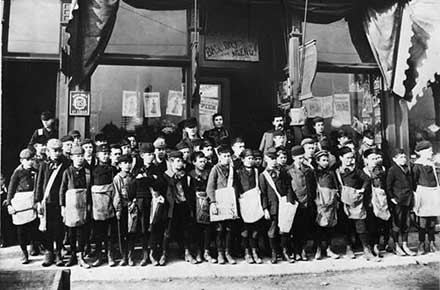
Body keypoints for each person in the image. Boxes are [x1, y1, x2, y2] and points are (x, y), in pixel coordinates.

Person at [336, 147, 379, 261]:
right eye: (348, 158)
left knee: (361, 225)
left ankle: (367, 250)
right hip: (343, 202)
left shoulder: (356, 170)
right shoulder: (337, 171)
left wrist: (362, 190)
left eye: (352, 158)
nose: (351, 160)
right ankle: (348, 248)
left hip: (356, 201)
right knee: (347, 226)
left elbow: (367, 179)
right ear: (341, 158)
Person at [35, 139, 70, 267]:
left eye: (59, 150)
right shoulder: (44, 165)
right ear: (48, 151)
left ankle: (59, 252)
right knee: (47, 228)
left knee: (59, 228)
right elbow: (39, 184)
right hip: (47, 201)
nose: (57, 153)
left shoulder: (66, 163)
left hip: (60, 201)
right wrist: (38, 201)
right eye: (54, 151)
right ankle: (49, 252)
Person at [260, 148, 295, 264]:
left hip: (284, 204)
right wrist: (265, 209)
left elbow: (289, 186)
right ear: (266, 159)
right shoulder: (263, 175)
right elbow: (263, 193)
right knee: (272, 231)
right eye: (271, 159)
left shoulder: (283, 172)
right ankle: (274, 253)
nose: (273, 161)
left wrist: (290, 201)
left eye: (275, 158)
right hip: (272, 206)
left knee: (285, 229)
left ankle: (285, 252)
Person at [59, 145, 92, 268]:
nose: (80, 159)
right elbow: (62, 190)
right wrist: (63, 207)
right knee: (71, 232)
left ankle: (81, 256)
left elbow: (90, 190)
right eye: (77, 156)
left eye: (81, 156)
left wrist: (89, 205)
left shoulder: (87, 172)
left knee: (82, 232)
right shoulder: (67, 172)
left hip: (83, 205)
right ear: (72, 157)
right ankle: (73, 255)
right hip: (70, 207)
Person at [162, 150, 197, 265]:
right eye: (177, 161)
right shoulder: (166, 175)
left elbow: (189, 191)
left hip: (183, 205)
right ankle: (164, 253)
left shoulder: (185, 175)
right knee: (167, 230)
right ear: (171, 162)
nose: (180, 164)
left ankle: (187, 252)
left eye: (181, 161)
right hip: (171, 207)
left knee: (185, 230)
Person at [133, 143, 164, 266]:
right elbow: (138, 184)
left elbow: (160, 184)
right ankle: (145, 254)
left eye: (152, 154)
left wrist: (147, 179)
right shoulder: (138, 169)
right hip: (142, 201)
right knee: (143, 227)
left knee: (154, 227)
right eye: (147, 155)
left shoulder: (157, 169)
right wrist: (152, 179)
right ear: (142, 155)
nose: (150, 157)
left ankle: (153, 253)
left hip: (154, 202)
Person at [207, 145, 238, 264]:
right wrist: (213, 203)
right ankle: (220, 253)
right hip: (219, 202)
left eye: (228, 156)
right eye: (224, 156)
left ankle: (228, 253)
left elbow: (235, 185)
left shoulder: (232, 169)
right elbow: (210, 187)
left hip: (230, 202)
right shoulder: (215, 169)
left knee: (230, 229)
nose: (226, 158)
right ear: (219, 157)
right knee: (220, 229)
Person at [7, 149, 39, 264]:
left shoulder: (35, 171)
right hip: (20, 203)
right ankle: (24, 252)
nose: (30, 162)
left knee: (33, 227)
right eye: (27, 160)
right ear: (22, 160)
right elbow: (11, 188)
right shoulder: (17, 172)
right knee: (21, 230)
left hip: (31, 202)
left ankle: (34, 246)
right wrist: (9, 204)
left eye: (32, 159)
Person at [91, 144, 118, 267]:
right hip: (97, 206)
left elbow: (116, 188)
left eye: (107, 153)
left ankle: (110, 255)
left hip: (110, 204)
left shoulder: (113, 169)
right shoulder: (93, 170)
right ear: (97, 155)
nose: (105, 156)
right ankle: (99, 256)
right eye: (103, 153)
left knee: (110, 233)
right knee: (98, 232)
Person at [288, 145, 316, 261]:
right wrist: (291, 201)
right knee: (295, 228)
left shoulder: (308, 169)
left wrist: (312, 199)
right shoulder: (289, 170)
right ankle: (296, 251)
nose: (301, 160)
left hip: (307, 202)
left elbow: (312, 185)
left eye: (302, 157)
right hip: (296, 202)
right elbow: (288, 187)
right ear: (293, 157)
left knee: (304, 227)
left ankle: (303, 250)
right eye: (299, 158)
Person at [386, 148, 416, 256]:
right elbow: (388, 186)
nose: (403, 159)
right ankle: (396, 245)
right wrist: (392, 198)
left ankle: (405, 244)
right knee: (396, 224)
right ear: (394, 159)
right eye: (400, 157)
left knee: (406, 224)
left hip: (407, 200)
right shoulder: (392, 170)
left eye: (404, 157)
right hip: (398, 201)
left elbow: (411, 184)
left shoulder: (407, 169)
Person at [235, 149, 263, 264]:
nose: (251, 161)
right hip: (244, 204)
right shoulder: (238, 172)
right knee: (245, 230)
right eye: (248, 158)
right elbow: (236, 188)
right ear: (242, 159)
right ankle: (247, 252)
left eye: (252, 158)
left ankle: (254, 250)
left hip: (254, 203)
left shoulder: (257, 171)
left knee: (255, 230)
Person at [412, 140, 440, 254]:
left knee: (432, 220)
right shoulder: (417, 165)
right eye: (429, 151)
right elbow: (414, 181)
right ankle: (421, 243)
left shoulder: (432, 164)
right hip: (423, 193)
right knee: (423, 220)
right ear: (422, 152)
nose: (431, 153)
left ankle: (432, 242)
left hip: (433, 193)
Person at [188, 151, 217, 263]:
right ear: (194, 162)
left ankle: (206, 251)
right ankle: (198, 252)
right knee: (196, 229)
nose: (202, 164)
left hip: (207, 203)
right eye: (200, 161)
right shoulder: (190, 175)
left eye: (204, 161)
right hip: (195, 205)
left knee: (208, 229)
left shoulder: (209, 173)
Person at [363, 148, 391, 258]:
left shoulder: (381, 170)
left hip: (380, 200)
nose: (375, 161)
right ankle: (369, 247)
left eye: (376, 158)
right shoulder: (363, 171)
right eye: (372, 159)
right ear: (366, 160)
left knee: (380, 223)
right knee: (370, 224)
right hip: (368, 200)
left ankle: (376, 245)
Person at [313, 150, 340, 260]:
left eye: (327, 160)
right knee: (319, 227)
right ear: (317, 161)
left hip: (330, 202)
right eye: (323, 160)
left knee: (330, 226)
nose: (325, 162)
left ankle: (329, 248)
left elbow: (336, 186)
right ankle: (319, 249)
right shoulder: (314, 173)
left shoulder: (331, 173)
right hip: (319, 203)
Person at [113, 154, 136, 266]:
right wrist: (118, 209)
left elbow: (137, 191)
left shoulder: (133, 176)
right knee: (122, 233)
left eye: (129, 163)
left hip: (132, 208)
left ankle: (131, 256)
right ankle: (124, 257)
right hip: (122, 208)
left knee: (131, 232)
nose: (127, 165)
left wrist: (134, 202)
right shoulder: (118, 178)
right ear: (120, 165)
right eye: (125, 163)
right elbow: (116, 194)